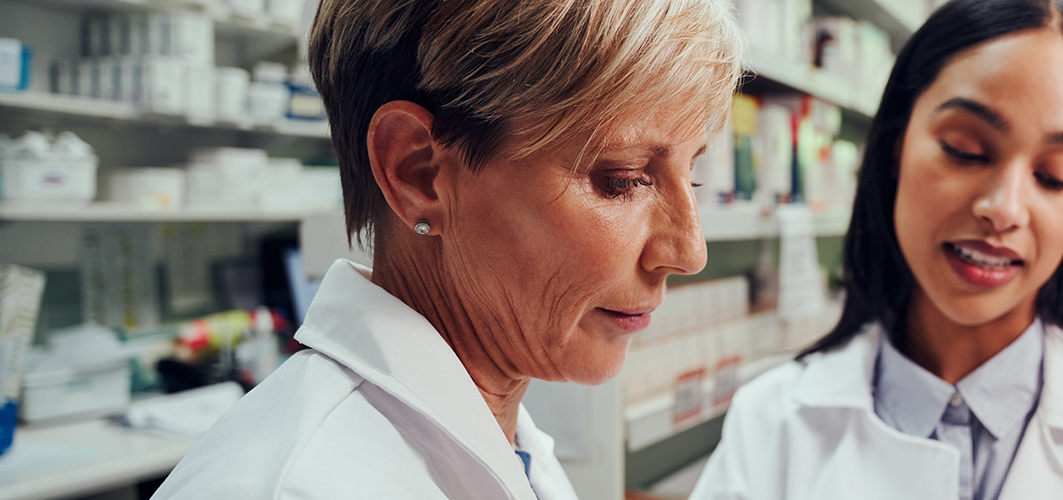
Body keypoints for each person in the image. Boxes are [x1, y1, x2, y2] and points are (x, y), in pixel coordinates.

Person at [154, 0, 741, 498]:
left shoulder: (501, 433)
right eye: (625, 177)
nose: (689, 251)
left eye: (689, 177)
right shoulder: (297, 483)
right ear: (418, 172)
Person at [688, 0, 1063, 498]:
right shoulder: (773, 424)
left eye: (1057, 175)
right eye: (966, 150)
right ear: (894, 146)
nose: (1005, 209)